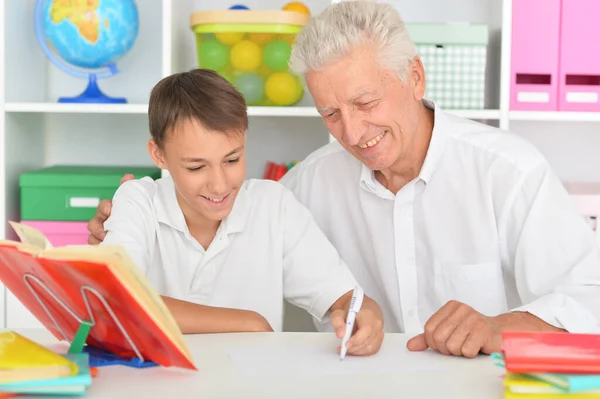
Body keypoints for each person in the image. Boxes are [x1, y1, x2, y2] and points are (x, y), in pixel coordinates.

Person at [89, 1, 600, 358]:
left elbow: (590, 298)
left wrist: (496, 326)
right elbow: (226, 225)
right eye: (330, 112)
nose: (352, 133)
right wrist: (116, 234)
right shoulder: (308, 184)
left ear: (414, 77)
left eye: (365, 103)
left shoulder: (508, 171)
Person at [97, 68, 385, 357]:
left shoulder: (274, 206)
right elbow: (115, 301)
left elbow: (347, 298)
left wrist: (363, 315)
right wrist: (249, 322)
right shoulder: (138, 200)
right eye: (196, 167)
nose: (220, 184)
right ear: (159, 155)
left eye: (232, 159)